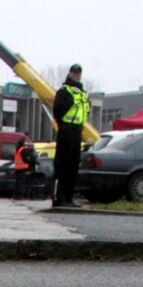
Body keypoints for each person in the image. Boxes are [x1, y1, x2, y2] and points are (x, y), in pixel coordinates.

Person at [52, 63, 90, 207]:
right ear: (70, 73)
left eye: (79, 72)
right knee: (62, 165)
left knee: (73, 167)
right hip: (66, 131)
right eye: (74, 72)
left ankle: (68, 198)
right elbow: (57, 110)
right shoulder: (64, 90)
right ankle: (58, 197)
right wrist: (62, 125)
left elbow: (86, 111)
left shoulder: (82, 94)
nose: (77, 74)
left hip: (77, 133)